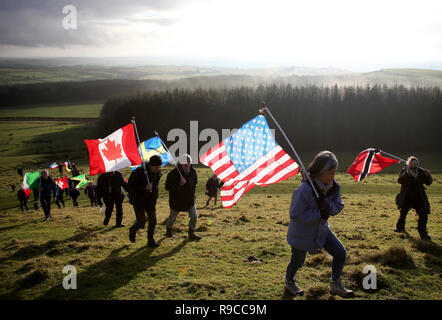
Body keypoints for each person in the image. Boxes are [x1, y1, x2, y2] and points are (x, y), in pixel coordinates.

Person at [285, 151, 354, 298]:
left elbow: (338, 204)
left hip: (322, 231)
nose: (333, 176)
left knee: (340, 253)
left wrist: (329, 209)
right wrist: (319, 213)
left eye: (334, 172)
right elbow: (295, 214)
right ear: (319, 172)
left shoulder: (334, 186)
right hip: (301, 234)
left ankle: (335, 284)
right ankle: (290, 282)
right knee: (297, 262)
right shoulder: (304, 190)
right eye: (330, 173)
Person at [128, 155, 163, 247]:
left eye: (159, 167)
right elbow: (130, 186)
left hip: (150, 201)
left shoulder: (158, 173)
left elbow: (155, 187)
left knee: (153, 220)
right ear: (150, 165)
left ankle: (150, 241)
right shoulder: (138, 172)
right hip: (138, 201)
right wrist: (144, 188)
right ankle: (132, 230)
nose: (157, 168)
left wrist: (154, 195)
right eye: (156, 167)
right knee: (141, 223)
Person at [394, 156, 433, 240]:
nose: (414, 165)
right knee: (403, 213)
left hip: (419, 197)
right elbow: (400, 180)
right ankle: (400, 228)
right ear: (409, 164)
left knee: (424, 214)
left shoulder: (420, 171)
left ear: (417, 164)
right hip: (407, 197)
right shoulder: (404, 171)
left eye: (415, 163)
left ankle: (423, 233)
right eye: (412, 163)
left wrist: (428, 176)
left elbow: (428, 183)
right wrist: (407, 173)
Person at [165, 154, 201, 241]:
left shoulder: (193, 172)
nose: (186, 165)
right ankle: (168, 231)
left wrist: (193, 194)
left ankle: (191, 233)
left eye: (188, 163)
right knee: (172, 217)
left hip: (189, 200)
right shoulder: (173, 173)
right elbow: (167, 187)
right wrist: (179, 185)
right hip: (176, 200)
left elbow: (194, 184)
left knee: (194, 216)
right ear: (180, 163)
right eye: (184, 163)